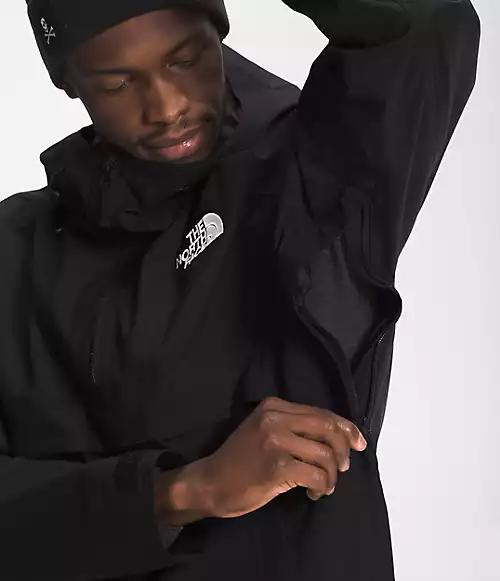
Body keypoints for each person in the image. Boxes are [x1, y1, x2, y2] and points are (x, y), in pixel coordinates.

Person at [0, 1, 480, 579]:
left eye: (185, 60)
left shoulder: (311, 171)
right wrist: (183, 491)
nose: (167, 108)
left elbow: (422, 24)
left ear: (218, 30)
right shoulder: (16, 251)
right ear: (69, 82)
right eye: (118, 84)